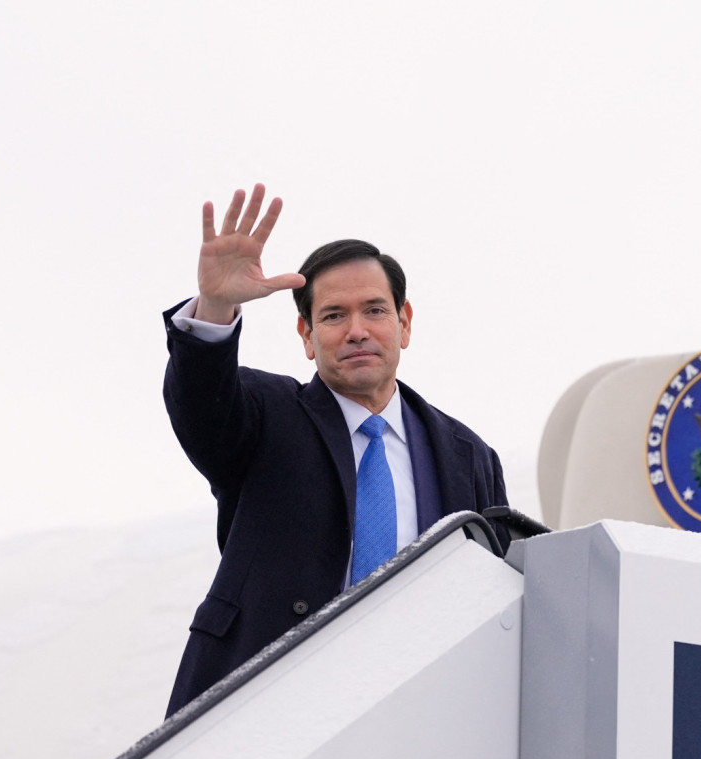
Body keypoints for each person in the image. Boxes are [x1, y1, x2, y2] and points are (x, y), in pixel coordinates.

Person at [162, 184, 507, 716]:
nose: (357, 331)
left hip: (419, 714)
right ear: (306, 334)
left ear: (404, 322)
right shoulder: (266, 415)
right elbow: (202, 404)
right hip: (264, 705)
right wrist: (215, 306)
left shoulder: (469, 457)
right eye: (333, 316)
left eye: (374, 310)